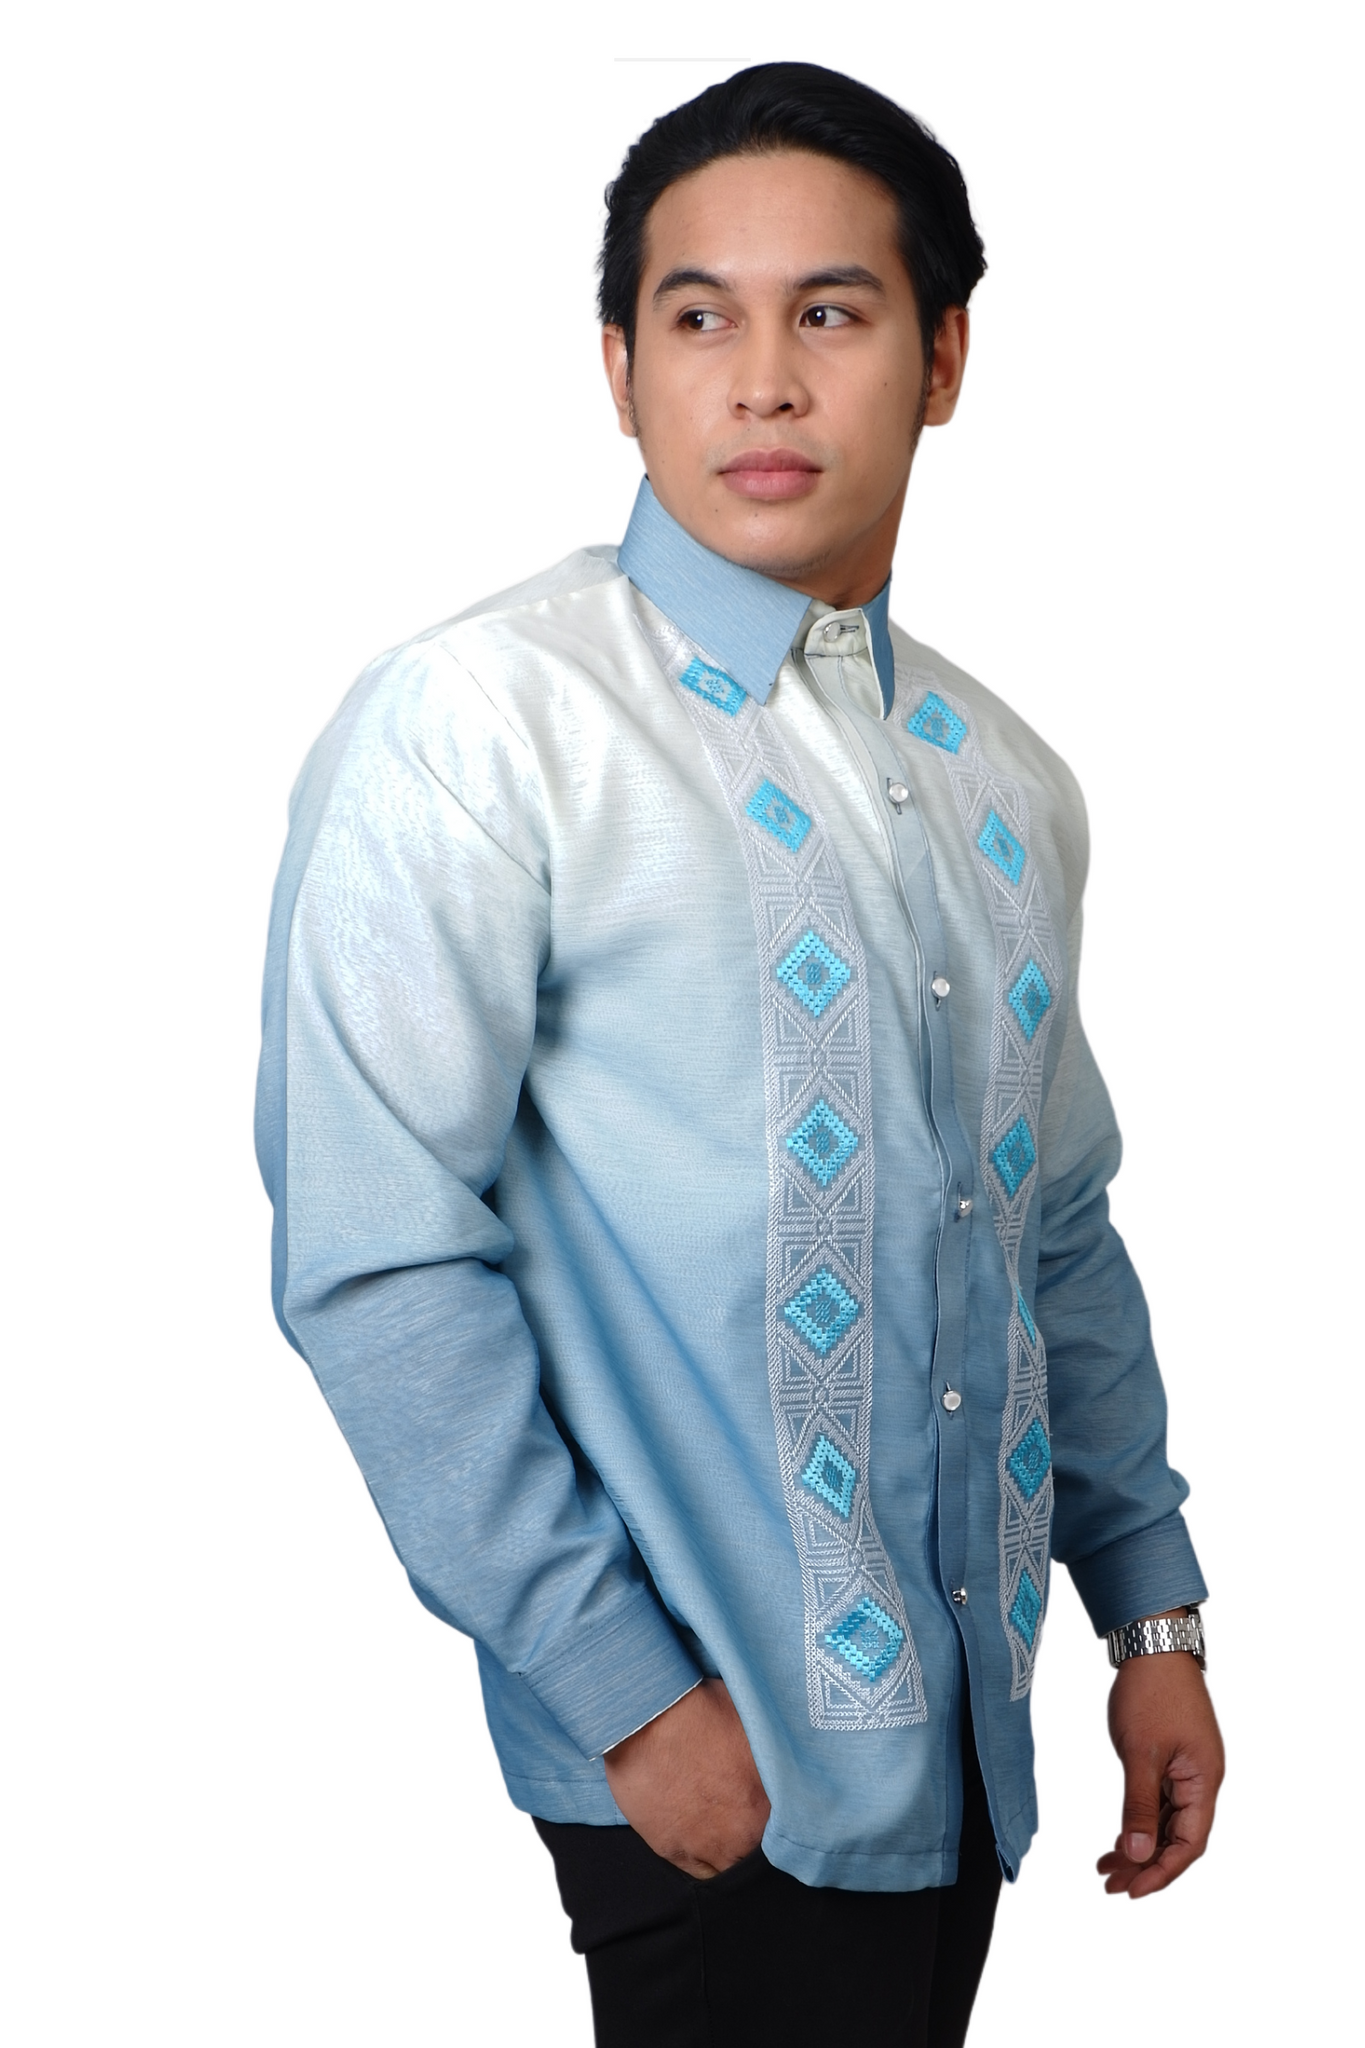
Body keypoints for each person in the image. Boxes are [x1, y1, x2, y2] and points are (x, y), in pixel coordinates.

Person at [255, 61, 1224, 2046]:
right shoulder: (485, 728)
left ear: (943, 357)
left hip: (969, 1751)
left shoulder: (1009, 780)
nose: (762, 383)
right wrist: (626, 1696)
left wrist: (1153, 1614)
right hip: (710, 1780)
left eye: (831, 313)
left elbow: (1052, 1231)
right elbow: (378, 1255)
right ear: (621, 369)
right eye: (699, 318)